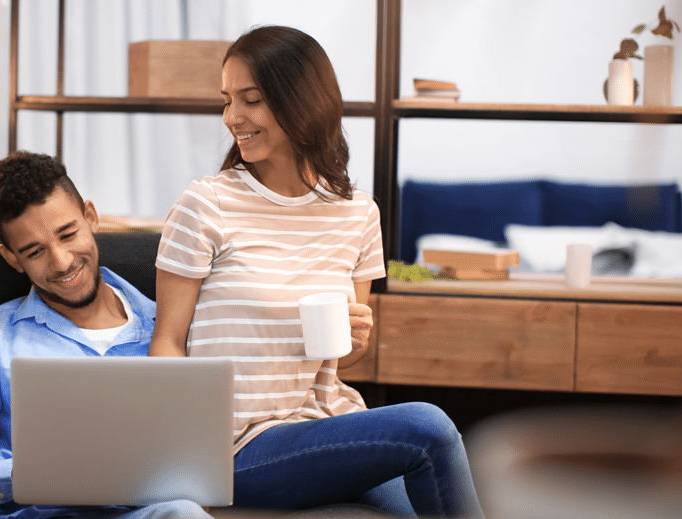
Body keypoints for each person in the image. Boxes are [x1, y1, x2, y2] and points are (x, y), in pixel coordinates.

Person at [149, 25, 484, 518]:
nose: (232, 118)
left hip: (327, 424)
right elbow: (167, 342)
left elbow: (337, 362)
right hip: (235, 447)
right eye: (227, 101)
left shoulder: (358, 215)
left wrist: (357, 343)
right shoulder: (208, 203)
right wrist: (182, 451)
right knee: (427, 425)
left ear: (302, 102)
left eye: (252, 100)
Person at [0, 151, 212, 519]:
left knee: (183, 513)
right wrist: (34, 473)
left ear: (91, 217)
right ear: (12, 259)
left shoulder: (168, 326)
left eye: (68, 234)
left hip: (150, 513)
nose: (62, 262)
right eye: (35, 251)